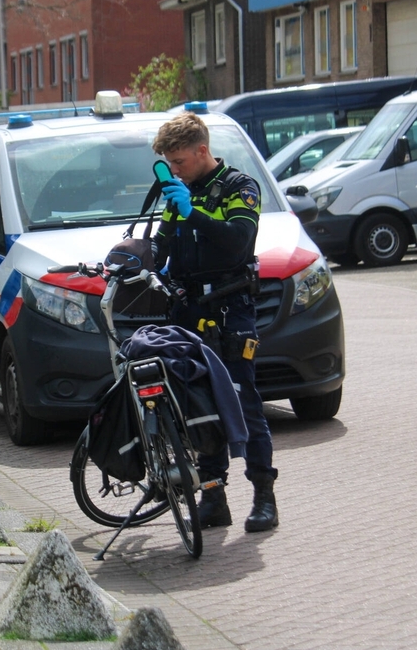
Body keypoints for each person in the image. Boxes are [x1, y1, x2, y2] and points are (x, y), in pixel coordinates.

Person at [151, 112, 277, 532]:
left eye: (180, 162)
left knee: (244, 403)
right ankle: (213, 497)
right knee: (198, 409)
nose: (175, 170)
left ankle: (263, 496)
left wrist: (194, 214)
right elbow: (162, 249)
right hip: (190, 313)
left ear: (202, 150)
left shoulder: (240, 186)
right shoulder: (179, 192)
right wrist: (132, 256)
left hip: (230, 311)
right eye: (169, 164)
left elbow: (239, 239)